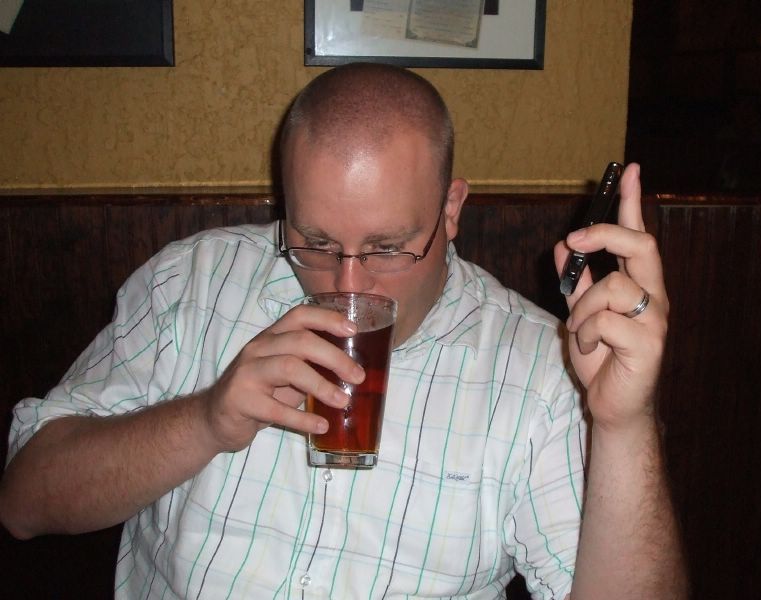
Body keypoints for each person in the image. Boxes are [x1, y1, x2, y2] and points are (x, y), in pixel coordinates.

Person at [0, 63, 686, 599]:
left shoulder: (538, 366)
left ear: (451, 210)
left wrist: (624, 426)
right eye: (316, 243)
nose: (348, 287)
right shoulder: (193, 283)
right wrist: (205, 421)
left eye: (387, 248)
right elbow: (24, 502)